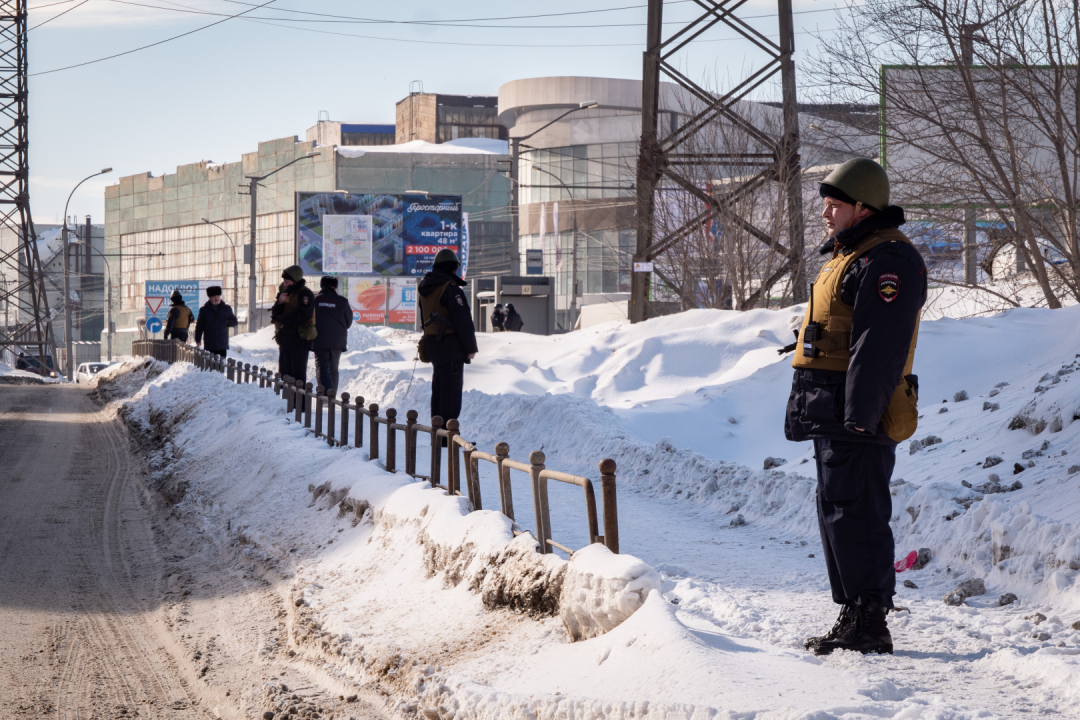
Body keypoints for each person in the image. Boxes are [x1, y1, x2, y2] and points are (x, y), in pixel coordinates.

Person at [784, 157, 926, 656]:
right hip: (833, 408)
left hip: (856, 414)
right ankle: (854, 612)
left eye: (833, 205)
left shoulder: (888, 260)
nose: (825, 214)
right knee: (838, 510)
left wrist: (861, 417)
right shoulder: (854, 254)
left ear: (862, 208)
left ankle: (870, 622)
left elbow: (879, 344)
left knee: (858, 511)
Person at [418, 249, 478, 427]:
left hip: (433, 344)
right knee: (451, 392)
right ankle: (448, 436)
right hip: (450, 345)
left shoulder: (426, 288)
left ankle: (437, 433)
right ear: (453, 268)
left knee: (439, 389)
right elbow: (463, 320)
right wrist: (470, 348)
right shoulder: (450, 289)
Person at [271, 266, 316, 401]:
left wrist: (283, 319)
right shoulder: (285, 294)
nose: (284, 285)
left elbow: (304, 315)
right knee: (285, 373)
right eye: (284, 282)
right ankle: (286, 403)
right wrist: (279, 302)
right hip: (285, 339)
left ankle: (299, 405)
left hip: (299, 339)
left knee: (298, 375)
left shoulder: (305, 294)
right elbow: (275, 314)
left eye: (287, 282)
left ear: (295, 281)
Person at [312, 276, 353, 393]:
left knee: (322, 367)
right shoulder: (343, 301)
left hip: (319, 339)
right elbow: (348, 322)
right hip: (337, 341)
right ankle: (331, 396)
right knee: (334, 368)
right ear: (335, 287)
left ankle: (325, 395)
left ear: (321, 286)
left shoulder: (315, 300)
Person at [194, 286, 238, 358]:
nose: (216, 298)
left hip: (222, 344)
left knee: (221, 365)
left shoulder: (226, 308)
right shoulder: (204, 310)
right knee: (211, 367)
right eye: (214, 296)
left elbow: (234, 321)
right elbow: (199, 326)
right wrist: (197, 339)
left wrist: (227, 322)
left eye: (218, 296)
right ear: (210, 298)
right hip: (209, 344)